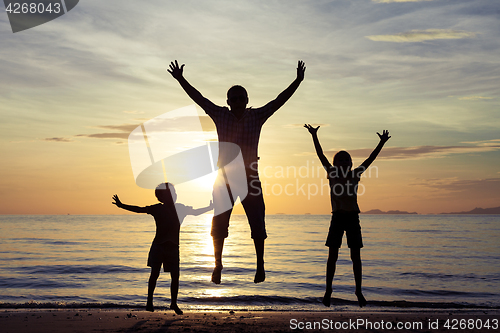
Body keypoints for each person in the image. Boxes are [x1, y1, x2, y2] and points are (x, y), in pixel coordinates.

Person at [167, 60, 306, 284]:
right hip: (224, 178)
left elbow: (279, 101)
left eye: (242, 97)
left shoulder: (257, 116)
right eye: (235, 98)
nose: (239, 101)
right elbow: (199, 98)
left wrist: (297, 81)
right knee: (219, 224)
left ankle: (260, 266)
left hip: (250, 177)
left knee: (258, 223)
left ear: (247, 100)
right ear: (229, 102)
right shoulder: (220, 115)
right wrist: (180, 79)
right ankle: (218, 264)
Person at [304, 124, 391, 308]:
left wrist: (381, 142)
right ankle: (328, 290)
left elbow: (370, 159)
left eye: (346, 159)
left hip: (352, 218)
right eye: (340, 159)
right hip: (337, 218)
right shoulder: (332, 173)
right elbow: (320, 155)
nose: (343, 161)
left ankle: (358, 290)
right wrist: (314, 136)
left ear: (350, 163)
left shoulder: (355, 174)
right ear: (335, 164)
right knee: (332, 256)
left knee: (355, 257)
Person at [112, 183, 213, 314]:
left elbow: (195, 212)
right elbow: (139, 209)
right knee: (154, 274)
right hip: (158, 247)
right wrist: (122, 205)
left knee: (175, 276)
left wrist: (210, 207)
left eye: (174, 192)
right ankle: (149, 301)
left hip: (173, 248)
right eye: (170, 193)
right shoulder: (157, 209)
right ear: (161, 197)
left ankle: (173, 303)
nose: (174, 195)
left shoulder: (180, 208)